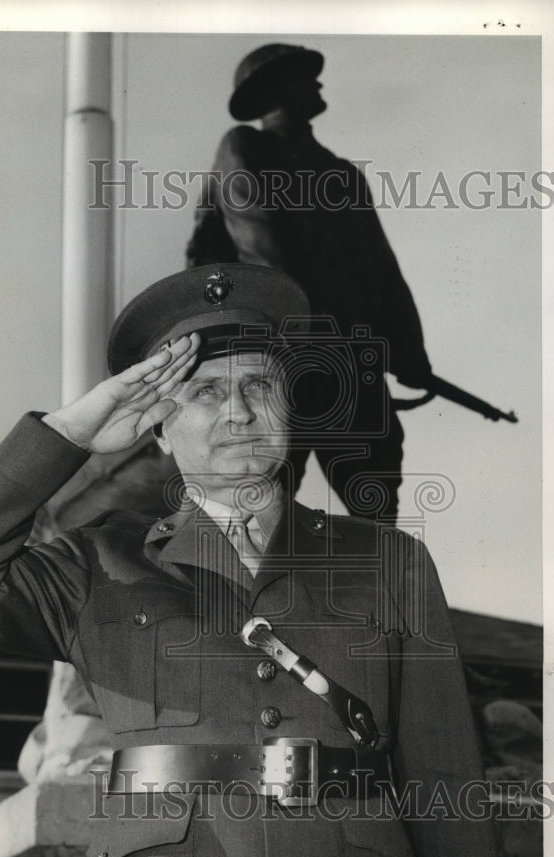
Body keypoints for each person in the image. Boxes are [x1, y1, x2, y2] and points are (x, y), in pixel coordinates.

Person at [0, 262, 507, 857]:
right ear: (157, 427)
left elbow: (447, 791)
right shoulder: (96, 564)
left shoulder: (388, 562)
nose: (239, 411)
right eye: (206, 391)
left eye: (259, 386)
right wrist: (68, 435)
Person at [187, 44, 435, 522]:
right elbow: (260, 243)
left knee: (377, 515)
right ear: (274, 90)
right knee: (262, 508)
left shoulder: (342, 175)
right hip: (280, 359)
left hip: (351, 362)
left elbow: (383, 272)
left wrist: (411, 353)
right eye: (302, 77)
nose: (317, 83)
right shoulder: (245, 147)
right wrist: (307, 325)